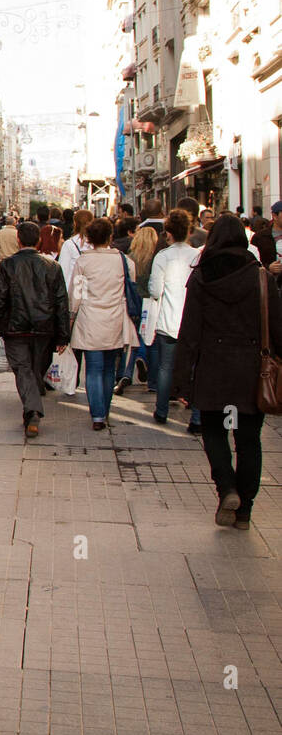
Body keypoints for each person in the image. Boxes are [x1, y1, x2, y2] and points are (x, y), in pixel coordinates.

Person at [172, 215, 280, 530]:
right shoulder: (261, 277)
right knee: (248, 439)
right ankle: (244, 510)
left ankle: (227, 488)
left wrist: (181, 381)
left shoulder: (202, 276)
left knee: (215, 433)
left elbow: (189, 332)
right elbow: (277, 328)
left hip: (213, 369)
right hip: (250, 372)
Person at [0, 221, 70, 438]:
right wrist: (63, 334)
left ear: (18, 240)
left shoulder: (8, 265)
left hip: (16, 327)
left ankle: (32, 410)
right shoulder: (52, 266)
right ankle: (32, 411)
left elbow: (0, 298)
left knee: (25, 370)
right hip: (44, 327)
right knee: (34, 369)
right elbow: (61, 302)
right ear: (38, 241)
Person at [70, 216, 138, 431]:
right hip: (115, 319)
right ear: (111, 236)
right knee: (109, 368)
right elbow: (131, 289)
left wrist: (71, 316)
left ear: (89, 238)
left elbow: (76, 295)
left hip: (90, 320)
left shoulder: (83, 261)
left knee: (93, 369)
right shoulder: (124, 261)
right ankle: (105, 410)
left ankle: (97, 415)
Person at [147, 208, 199, 427]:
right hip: (193, 321)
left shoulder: (163, 256)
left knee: (165, 367)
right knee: (195, 369)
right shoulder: (197, 255)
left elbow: (155, 290)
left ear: (168, 232)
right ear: (188, 231)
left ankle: (161, 411)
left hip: (168, 320)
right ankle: (197, 416)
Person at [115, 223, 158, 394]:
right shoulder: (155, 258)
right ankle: (152, 380)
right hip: (150, 301)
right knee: (150, 339)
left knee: (132, 336)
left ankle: (126, 372)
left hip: (133, 300)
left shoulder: (129, 258)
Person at [58, 208, 94, 293]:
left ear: (75, 223)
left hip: (74, 291)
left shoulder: (69, 244)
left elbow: (63, 271)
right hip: (94, 291)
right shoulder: (97, 243)